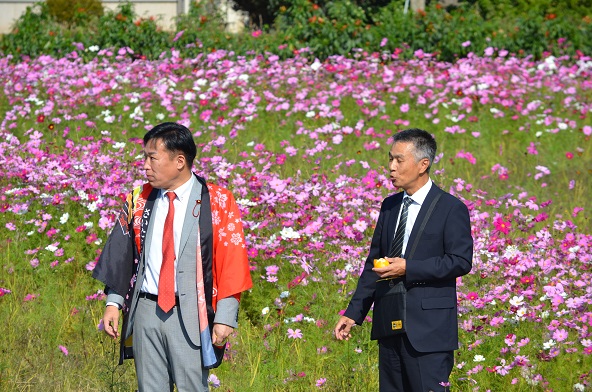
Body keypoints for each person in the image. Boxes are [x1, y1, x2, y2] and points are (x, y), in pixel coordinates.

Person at [93, 122, 252, 392]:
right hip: (146, 311)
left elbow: (232, 260)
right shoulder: (138, 199)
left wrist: (225, 316)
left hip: (192, 312)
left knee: (193, 387)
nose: (145, 165)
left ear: (180, 161)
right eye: (144, 157)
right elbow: (121, 254)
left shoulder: (218, 201)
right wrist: (113, 303)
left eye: (152, 158)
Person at [334, 128, 473, 391]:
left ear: (423, 164)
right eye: (390, 159)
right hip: (390, 322)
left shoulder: (450, 208)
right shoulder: (389, 206)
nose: (391, 167)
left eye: (399, 160)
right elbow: (373, 264)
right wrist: (353, 313)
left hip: (429, 331)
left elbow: (460, 261)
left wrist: (409, 268)